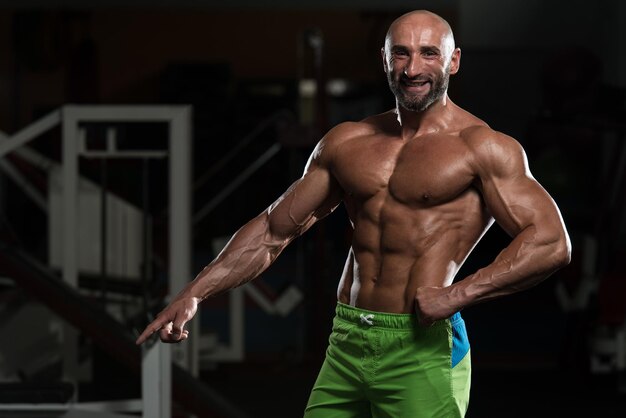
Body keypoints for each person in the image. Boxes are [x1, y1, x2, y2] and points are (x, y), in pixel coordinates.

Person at [136, 9, 571, 417]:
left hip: (422, 345)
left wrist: (459, 295)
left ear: (453, 61)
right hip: (347, 339)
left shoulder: (483, 147)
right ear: (385, 60)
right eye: (400, 53)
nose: (413, 68)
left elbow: (551, 242)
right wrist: (195, 291)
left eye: (428, 53)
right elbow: (273, 230)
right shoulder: (347, 143)